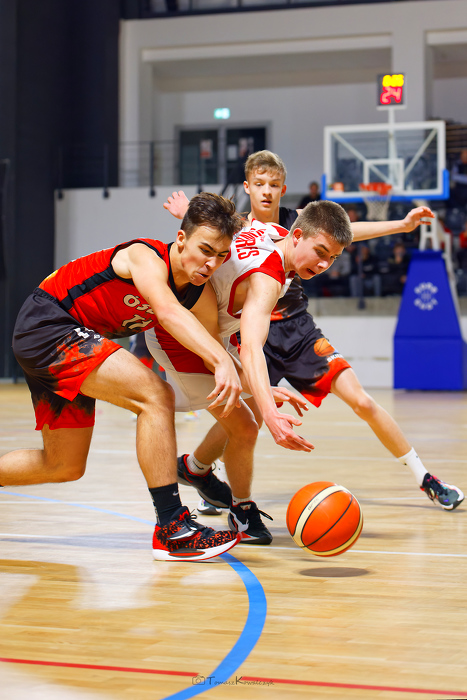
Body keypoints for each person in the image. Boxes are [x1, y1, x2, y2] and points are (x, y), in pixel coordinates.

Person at [164, 150, 464, 512]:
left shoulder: (298, 223)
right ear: (247, 187)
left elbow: (347, 232)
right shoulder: (237, 227)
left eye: (274, 185)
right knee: (249, 417)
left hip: (297, 330)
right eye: (259, 184)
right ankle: (199, 470)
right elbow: (206, 233)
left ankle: (425, 477)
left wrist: (400, 225)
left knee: (361, 400)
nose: (266, 191)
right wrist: (187, 213)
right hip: (250, 333)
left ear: (283, 190)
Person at [0, 193, 246, 561]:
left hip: (69, 340)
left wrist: (260, 391)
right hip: (48, 325)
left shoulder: (198, 294)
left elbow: (210, 352)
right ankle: (172, 528)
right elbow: (167, 312)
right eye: (205, 250)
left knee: (64, 465)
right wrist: (221, 359)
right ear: (181, 239)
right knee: (155, 395)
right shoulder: (145, 256)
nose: (211, 263)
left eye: (221, 255)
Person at [146, 200, 351, 544]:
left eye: (332, 258)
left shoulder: (271, 231)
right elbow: (252, 347)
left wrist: (189, 209)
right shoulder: (268, 278)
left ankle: (196, 471)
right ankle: (237, 508)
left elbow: (231, 222)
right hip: (180, 339)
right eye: (320, 252)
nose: (323, 264)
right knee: (247, 425)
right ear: (297, 236)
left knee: (251, 409)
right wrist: (271, 415)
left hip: (209, 333)